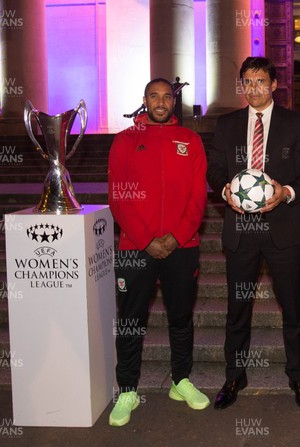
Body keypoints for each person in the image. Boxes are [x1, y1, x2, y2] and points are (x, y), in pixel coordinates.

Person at [206, 56, 300, 411]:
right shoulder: (226, 125)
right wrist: (225, 192)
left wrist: (285, 193)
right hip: (240, 230)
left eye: (260, 81)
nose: (253, 88)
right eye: (247, 82)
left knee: (293, 308)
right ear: (241, 86)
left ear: (274, 85)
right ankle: (235, 375)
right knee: (238, 308)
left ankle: (299, 377)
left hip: (282, 230)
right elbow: (213, 171)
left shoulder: (295, 122)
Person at [107, 78, 209, 426]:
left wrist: (176, 237)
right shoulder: (124, 141)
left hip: (183, 247)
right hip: (136, 247)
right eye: (155, 96)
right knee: (131, 321)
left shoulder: (191, 140)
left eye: (167, 97)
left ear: (173, 102)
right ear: (145, 100)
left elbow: (198, 198)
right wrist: (147, 238)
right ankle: (127, 390)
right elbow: (119, 196)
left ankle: (180, 381)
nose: (161, 102)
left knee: (180, 317)